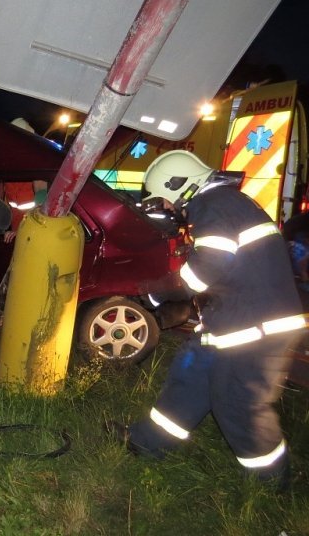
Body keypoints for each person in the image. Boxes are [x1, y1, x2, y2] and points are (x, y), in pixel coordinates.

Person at [107, 150, 306, 489]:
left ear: (181, 186)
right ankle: (146, 443)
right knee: (189, 379)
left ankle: (273, 483)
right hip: (231, 325)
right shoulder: (222, 205)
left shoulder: (214, 205)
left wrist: (158, 292)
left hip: (256, 331)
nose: (167, 211)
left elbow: (208, 269)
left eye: (165, 202)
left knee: (237, 405)